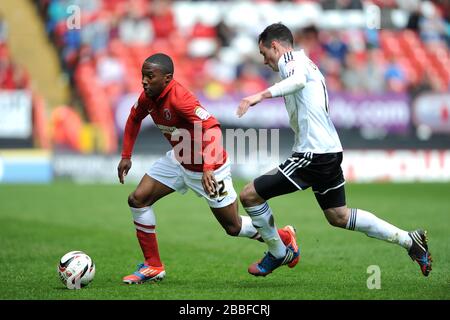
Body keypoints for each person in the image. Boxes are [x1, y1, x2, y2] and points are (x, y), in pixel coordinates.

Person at [236, 23, 432, 277]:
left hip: (312, 154)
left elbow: (296, 81)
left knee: (250, 195)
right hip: (328, 151)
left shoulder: (290, 60)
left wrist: (258, 96)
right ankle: (409, 240)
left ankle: (278, 251)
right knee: (338, 216)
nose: (264, 61)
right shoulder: (305, 62)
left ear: (275, 46)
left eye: (264, 54)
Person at [117, 53, 299, 284]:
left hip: (210, 166)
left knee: (233, 227)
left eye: (149, 77)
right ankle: (153, 265)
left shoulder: (180, 98)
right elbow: (134, 118)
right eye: (142, 76)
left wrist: (208, 168)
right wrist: (126, 155)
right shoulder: (148, 97)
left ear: (167, 78)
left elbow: (212, 127)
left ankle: (283, 237)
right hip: (179, 159)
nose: (144, 81)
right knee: (138, 199)